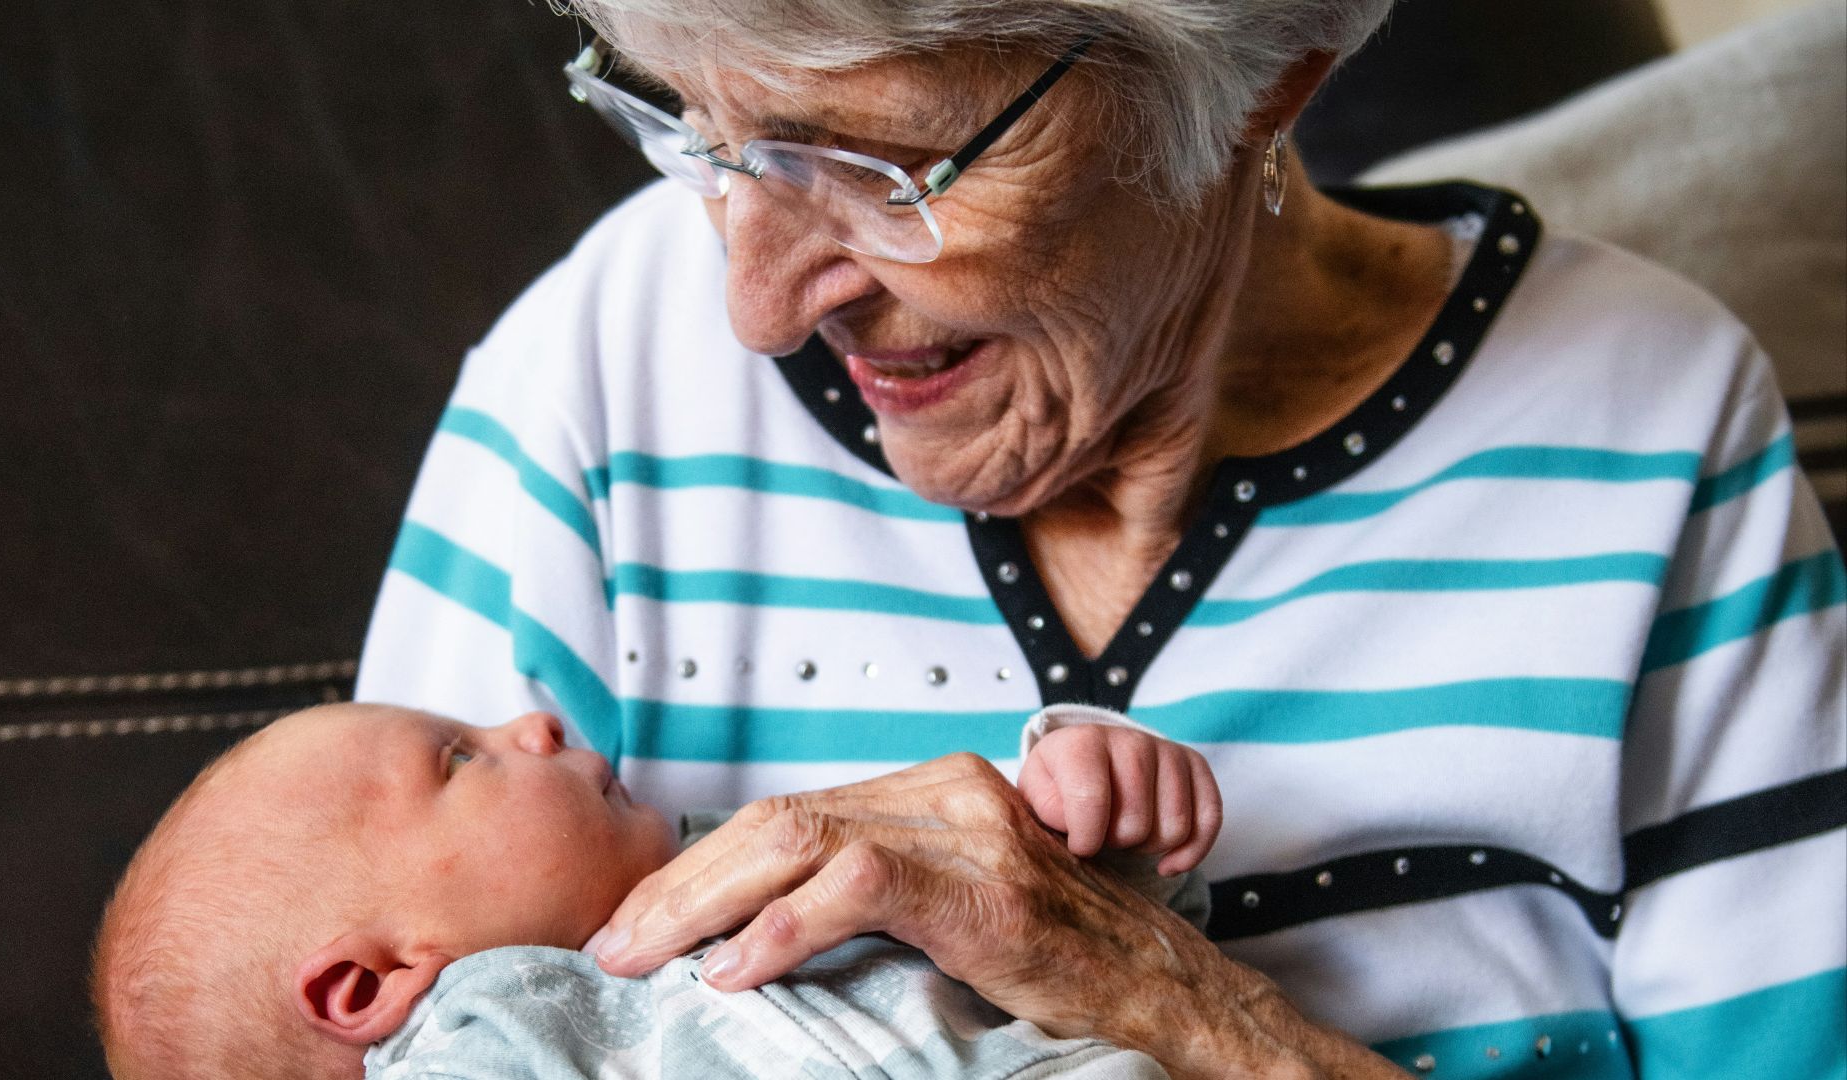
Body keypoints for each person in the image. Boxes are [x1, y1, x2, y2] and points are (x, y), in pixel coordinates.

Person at [354, 0, 1847, 1075]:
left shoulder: (1644, 417)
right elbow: (323, 1005)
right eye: (697, 126)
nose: (753, 303)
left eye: (877, 171)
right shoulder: (610, 364)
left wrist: (1181, 1009)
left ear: (1271, 69)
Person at [90, 702, 1217, 1079]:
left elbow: (1075, 936)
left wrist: (1089, 805)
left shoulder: (770, 856)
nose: (529, 721)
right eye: (459, 759)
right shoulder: (487, 1045)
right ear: (373, 981)